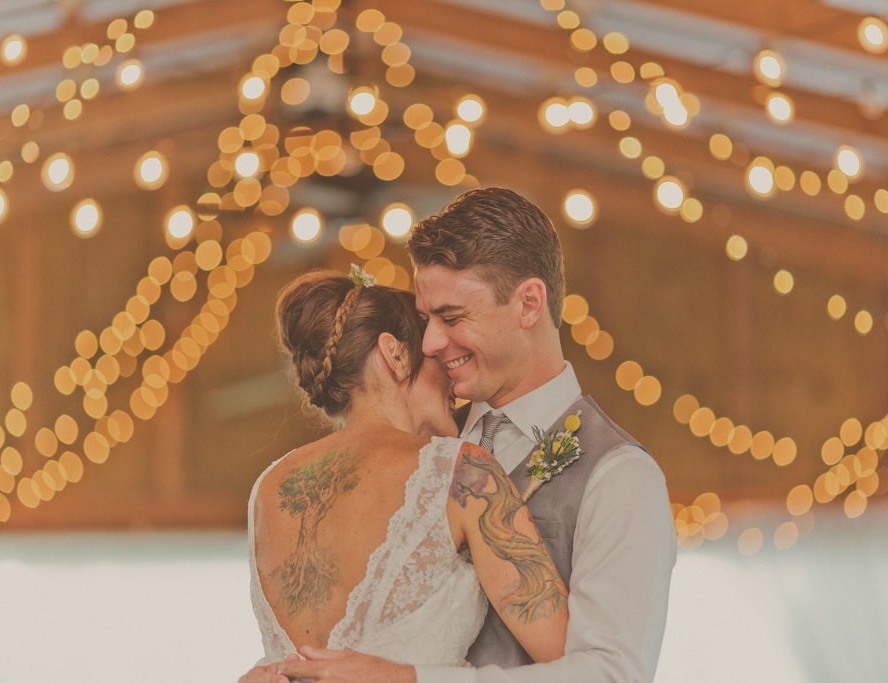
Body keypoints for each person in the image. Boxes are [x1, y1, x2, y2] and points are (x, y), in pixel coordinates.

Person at [272, 187, 677, 682]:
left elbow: (614, 676)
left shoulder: (620, 476)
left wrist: (410, 680)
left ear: (528, 303)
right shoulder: (425, 454)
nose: (429, 342)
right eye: (424, 319)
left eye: (451, 317)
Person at [240, 266, 569, 682]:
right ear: (394, 354)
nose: (452, 372)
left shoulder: (268, 488)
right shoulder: (463, 474)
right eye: (434, 354)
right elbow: (575, 665)